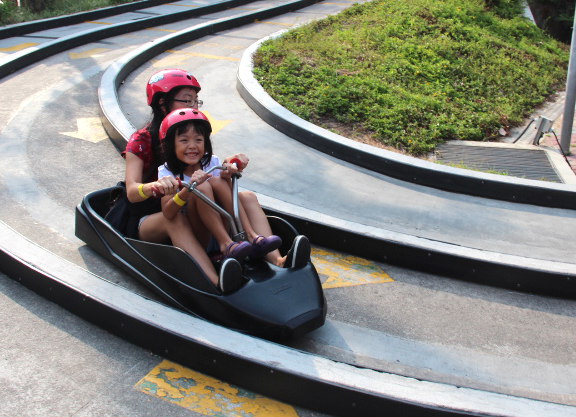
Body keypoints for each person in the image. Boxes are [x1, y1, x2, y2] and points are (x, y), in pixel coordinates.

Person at [122, 68, 242, 292]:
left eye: (196, 102)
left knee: (238, 195)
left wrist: (227, 167)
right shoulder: (141, 140)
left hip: (188, 201)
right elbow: (131, 191)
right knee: (174, 219)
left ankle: (259, 252)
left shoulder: (188, 129)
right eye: (187, 101)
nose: (193, 108)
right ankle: (215, 284)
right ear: (162, 104)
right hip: (152, 214)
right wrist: (156, 186)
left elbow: (206, 165)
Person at [158, 108, 312, 273]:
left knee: (247, 196)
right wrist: (188, 190)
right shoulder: (167, 173)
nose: (192, 146)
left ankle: (272, 254)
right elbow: (168, 212)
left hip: (228, 227)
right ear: (170, 144)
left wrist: (228, 173)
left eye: (198, 139)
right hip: (200, 234)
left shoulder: (211, 162)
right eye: (184, 140)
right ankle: (226, 245)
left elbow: (225, 187)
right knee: (202, 186)